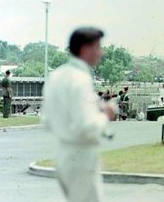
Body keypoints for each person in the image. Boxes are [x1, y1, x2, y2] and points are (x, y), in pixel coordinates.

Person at [41, 27, 115, 202]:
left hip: (62, 155)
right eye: (98, 47)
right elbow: (85, 127)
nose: (101, 53)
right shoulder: (81, 79)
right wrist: (106, 115)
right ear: (85, 49)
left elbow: (47, 121)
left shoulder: (56, 76)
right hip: (82, 157)